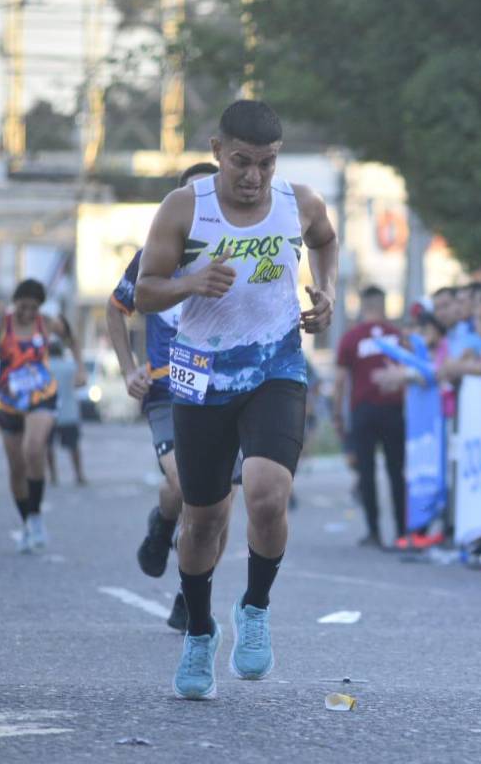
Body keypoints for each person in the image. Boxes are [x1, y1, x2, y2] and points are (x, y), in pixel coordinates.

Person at [134, 99, 338, 700]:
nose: (253, 177)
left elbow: (326, 241)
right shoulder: (183, 208)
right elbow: (143, 292)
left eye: (267, 164)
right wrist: (191, 283)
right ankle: (200, 631)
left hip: (275, 365)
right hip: (201, 373)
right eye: (242, 162)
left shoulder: (298, 203)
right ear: (218, 151)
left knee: (269, 494)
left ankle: (255, 608)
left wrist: (325, 293)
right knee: (203, 519)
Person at [106, 161, 233, 632]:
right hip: (168, 388)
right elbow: (116, 309)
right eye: (188, 196)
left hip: (228, 389)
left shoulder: (235, 252)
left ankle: (190, 593)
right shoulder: (155, 254)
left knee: (220, 509)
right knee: (185, 487)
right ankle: (163, 524)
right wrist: (128, 370)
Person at [0, 279, 84, 553]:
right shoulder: (1, 323)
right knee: (17, 468)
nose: (28, 313)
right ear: (14, 303)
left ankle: (37, 519)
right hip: (8, 402)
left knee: (34, 450)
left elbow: (73, 339)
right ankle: (28, 521)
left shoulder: (46, 323)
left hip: (41, 396)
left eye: (33, 307)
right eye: (22, 306)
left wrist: (80, 369)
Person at [335, 285, 406, 548]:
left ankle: (374, 531)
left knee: (366, 473)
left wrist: (337, 416)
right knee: (396, 471)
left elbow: (341, 381)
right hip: (393, 410)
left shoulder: (351, 337)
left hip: (363, 411)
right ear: (384, 305)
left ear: (363, 306)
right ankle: (401, 531)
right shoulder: (398, 336)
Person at [46, 339, 87, 486]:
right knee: (73, 446)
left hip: (48, 412)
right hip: (69, 412)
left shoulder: (45, 367)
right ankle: (79, 475)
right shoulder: (70, 367)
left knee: (48, 446)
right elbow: (81, 382)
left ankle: (53, 475)